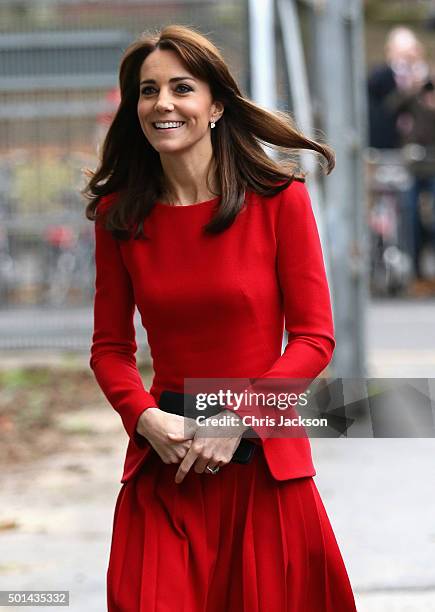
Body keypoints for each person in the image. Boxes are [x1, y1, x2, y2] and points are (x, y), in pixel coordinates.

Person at [84, 24, 357, 612]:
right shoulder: (119, 215)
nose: (162, 103)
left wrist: (238, 416)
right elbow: (109, 348)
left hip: (263, 466)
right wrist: (144, 418)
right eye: (147, 90)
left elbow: (314, 337)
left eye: (181, 87)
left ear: (214, 105)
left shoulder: (279, 198)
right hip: (168, 463)